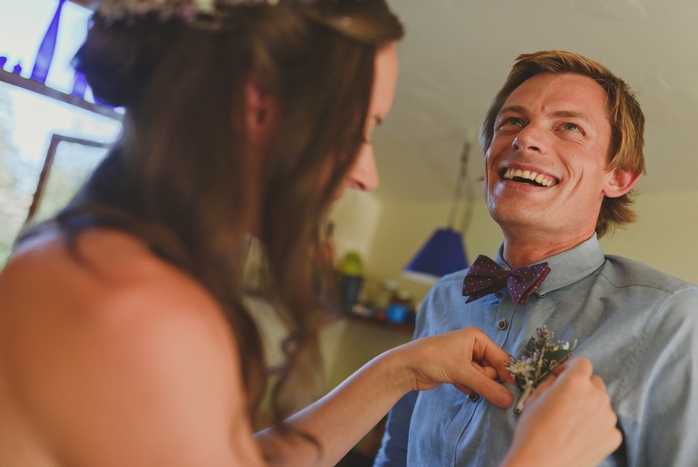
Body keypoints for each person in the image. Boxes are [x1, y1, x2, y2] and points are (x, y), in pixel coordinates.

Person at [0, 2, 620, 466]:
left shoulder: (85, 262)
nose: (369, 171)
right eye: (362, 127)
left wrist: (401, 369)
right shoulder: (137, 313)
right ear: (260, 101)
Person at [375, 50, 698, 467]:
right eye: (512, 121)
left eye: (569, 126)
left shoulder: (675, 320)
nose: (524, 138)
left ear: (618, 176)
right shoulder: (442, 298)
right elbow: (395, 456)